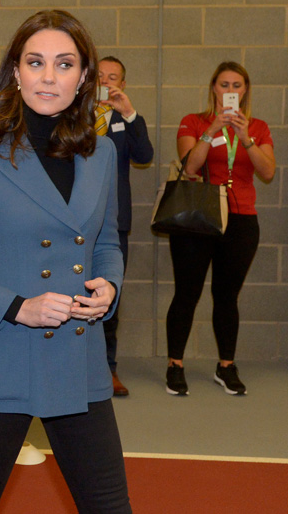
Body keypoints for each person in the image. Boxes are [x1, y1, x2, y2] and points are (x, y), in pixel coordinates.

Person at [0, 10, 131, 513]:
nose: (49, 76)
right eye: (36, 62)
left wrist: (109, 286)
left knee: (110, 506)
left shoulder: (100, 154)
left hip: (79, 363)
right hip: (3, 357)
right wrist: (17, 307)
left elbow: (105, 244)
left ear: (83, 77)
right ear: (16, 71)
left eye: (64, 64)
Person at [165, 61, 275, 397]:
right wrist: (211, 129)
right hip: (198, 216)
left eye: (237, 85)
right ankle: (175, 364)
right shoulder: (193, 122)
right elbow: (190, 166)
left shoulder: (257, 126)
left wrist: (245, 139)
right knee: (187, 293)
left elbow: (268, 172)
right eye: (224, 85)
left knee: (227, 296)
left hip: (241, 218)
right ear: (214, 88)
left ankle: (226, 365)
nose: (230, 91)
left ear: (245, 90)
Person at [95, 56, 154, 397]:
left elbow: (144, 155)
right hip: (75, 220)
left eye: (113, 77)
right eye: (100, 75)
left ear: (123, 83)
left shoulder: (124, 118)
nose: (106, 81)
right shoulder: (72, 113)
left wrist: (129, 113)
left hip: (114, 222)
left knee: (109, 294)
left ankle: (109, 369)